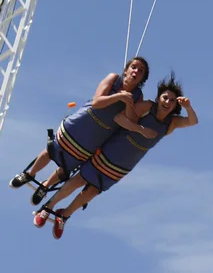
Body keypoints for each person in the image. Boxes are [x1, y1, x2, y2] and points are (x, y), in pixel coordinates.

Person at [33, 72, 198, 239]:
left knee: (93, 191)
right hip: (108, 152)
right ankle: (48, 207)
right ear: (158, 98)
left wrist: (188, 107)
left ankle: (64, 215)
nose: (167, 102)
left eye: (171, 100)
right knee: (79, 180)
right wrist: (140, 129)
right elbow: (120, 118)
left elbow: (193, 121)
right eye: (165, 98)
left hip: (122, 165)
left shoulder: (171, 122)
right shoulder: (147, 107)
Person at [10, 56, 150, 205]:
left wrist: (128, 103)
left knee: (67, 166)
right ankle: (29, 174)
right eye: (134, 67)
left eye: (141, 71)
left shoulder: (138, 97)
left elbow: (131, 120)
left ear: (142, 78)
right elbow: (97, 102)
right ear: (126, 69)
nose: (136, 71)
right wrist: (119, 96)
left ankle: (45, 186)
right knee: (53, 150)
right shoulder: (114, 78)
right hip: (82, 122)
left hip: (97, 135)